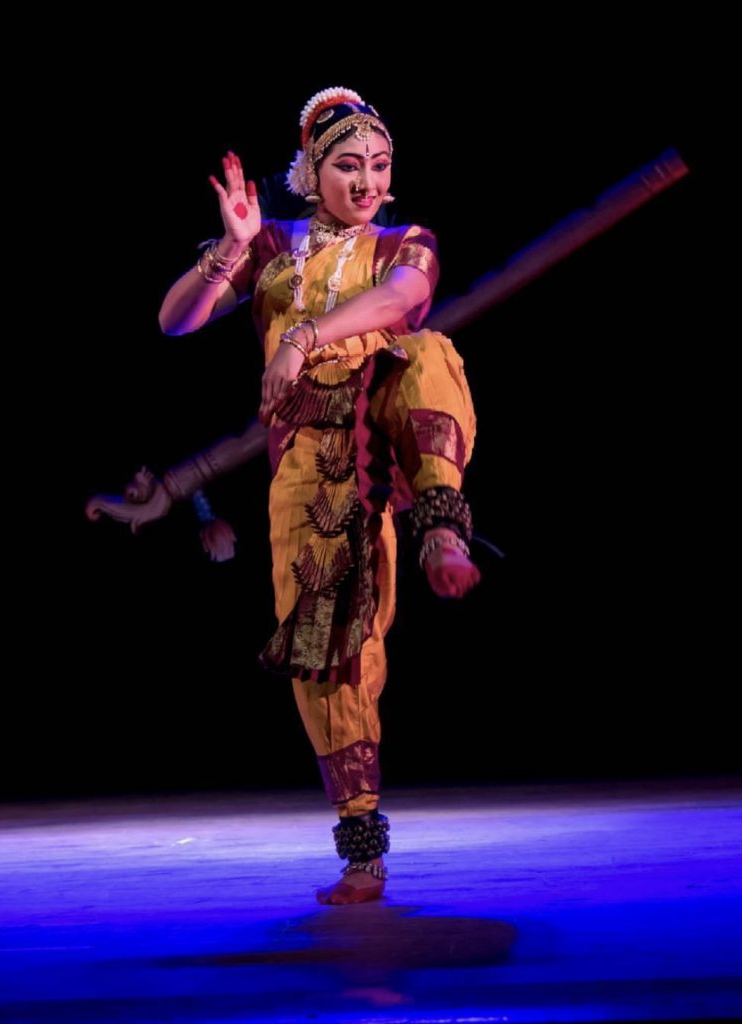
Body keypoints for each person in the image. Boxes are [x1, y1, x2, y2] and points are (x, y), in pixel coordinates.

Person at [158, 86, 481, 905]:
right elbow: (175, 322)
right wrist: (231, 250)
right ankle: (362, 849)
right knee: (329, 653)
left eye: (381, 165)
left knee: (428, 353)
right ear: (310, 172)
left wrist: (301, 336)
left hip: (388, 425)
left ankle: (443, 527)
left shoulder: (405, 242)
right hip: (310, 462)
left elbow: (401, 302)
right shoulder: (271, 246)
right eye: (348, 166)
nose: (369, 182)